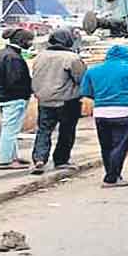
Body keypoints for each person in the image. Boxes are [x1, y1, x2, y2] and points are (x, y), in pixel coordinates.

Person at [80, 44, 128, 188]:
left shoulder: (93, 70)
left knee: (106, 146)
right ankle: (111, 178)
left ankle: (112, 174)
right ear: (126, 55)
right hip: (124, 111)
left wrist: (102, 97)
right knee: (120, 146)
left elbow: (86, 91)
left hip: (101, 112)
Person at [29, 28, 87, 174]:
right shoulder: (71, 58)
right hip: (67, 101)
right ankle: (61, 160)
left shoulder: (40, 56)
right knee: (66, 131)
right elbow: (81, 79)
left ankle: (39, 158)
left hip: (44, 100)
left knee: (44, 130)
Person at [0, 28, 34, 170]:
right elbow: (14, 80)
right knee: (10, 130)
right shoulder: (13, 58)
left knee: (12, 129)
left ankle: (12, 156)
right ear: (21, 41)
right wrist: (28, 89)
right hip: (14, 98)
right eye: (29, 40)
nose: (30, 43)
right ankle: (5, 160)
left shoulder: (0, 54)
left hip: (3, 96)